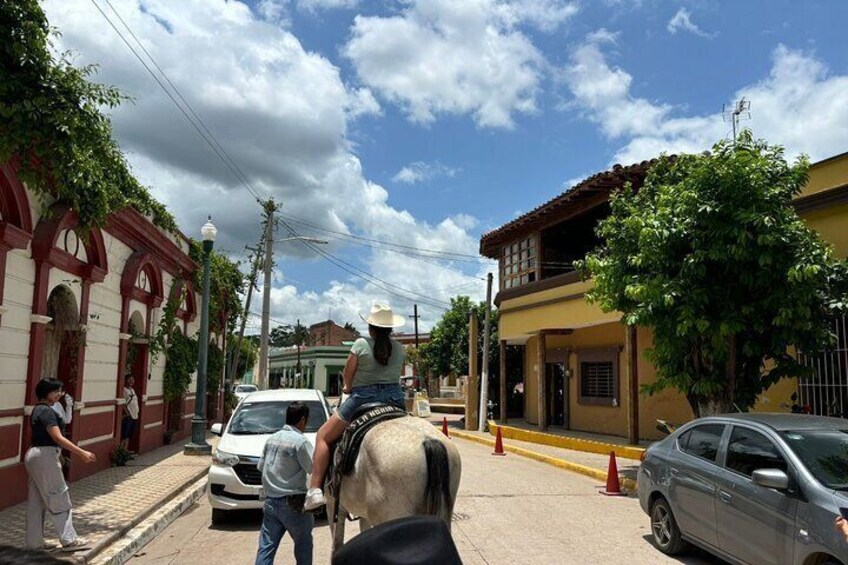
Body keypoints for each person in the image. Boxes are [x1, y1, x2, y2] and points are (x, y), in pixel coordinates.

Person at [304, 303, 406, 511]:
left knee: (323, 436)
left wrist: (347, 388)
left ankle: (315, 490)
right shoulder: (400, 348)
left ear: (371, 327)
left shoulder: (360, 344)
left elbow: (348, 377)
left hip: (362, 398)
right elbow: (398, 374)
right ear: (391, 328)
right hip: (396, 399)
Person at [26, 378, 96, 552]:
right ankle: (69, 540)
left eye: (60, 390)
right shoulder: (47, 412)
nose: (59, 394)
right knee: (59, 495)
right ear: (46, 392)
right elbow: (58, 437)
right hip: (45, 456)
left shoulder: (38, 410)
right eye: (56, 391)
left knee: (37, 501)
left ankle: (34, 544)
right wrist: (81, 453)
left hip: (36, 456)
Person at [255, 401, 315, 565]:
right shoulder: (300, 442)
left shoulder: (272, 439)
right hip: (293, 504)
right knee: (303, 546)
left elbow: (261, 467)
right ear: (303, 420)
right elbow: (313, 468)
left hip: (270, 502)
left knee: (266, 548)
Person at [121, 375, 139, 452]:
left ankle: (126, 449)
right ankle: (121, 450)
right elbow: (123, 402)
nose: (131, 381)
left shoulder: (132, 390)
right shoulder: (124, 390)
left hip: (134, 415)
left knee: (129, 434)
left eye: (132, 379)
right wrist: (127, 413)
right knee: (124, 434)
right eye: (129, 379)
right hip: (128, 415)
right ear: (126, 380)